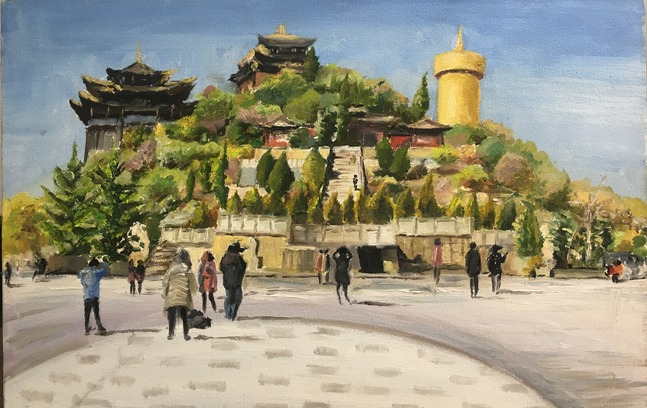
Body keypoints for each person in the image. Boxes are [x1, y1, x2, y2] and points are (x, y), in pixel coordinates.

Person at [162, 248, 198, 341]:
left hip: (172, 296)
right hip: (183, 297)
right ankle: (186, 334)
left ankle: (171, 333)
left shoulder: (171, 270)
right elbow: (193, 284)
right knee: (184, 316)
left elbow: (165, 282)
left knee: (172, 315)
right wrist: (193, 292)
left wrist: (165, 293)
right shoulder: (187, 270)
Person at [78, 257, 110, 335]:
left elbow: (82, 281)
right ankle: (100, 328)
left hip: (87, 296)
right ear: (96, 265)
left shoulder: (84, 273)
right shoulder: (96, 273)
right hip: (94, 296)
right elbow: (106, 271)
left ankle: (87, 329)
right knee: (96, 312)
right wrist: (105, 263)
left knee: (87, 313)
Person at [220, 242, 247, 321]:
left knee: (230, 298)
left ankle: (229, 314)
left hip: (228, 282)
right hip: (236, 282)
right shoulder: (238, 259)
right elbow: (243, 267)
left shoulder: (225, 259)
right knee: (237, 299)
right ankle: (231, 314)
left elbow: (222, 269)